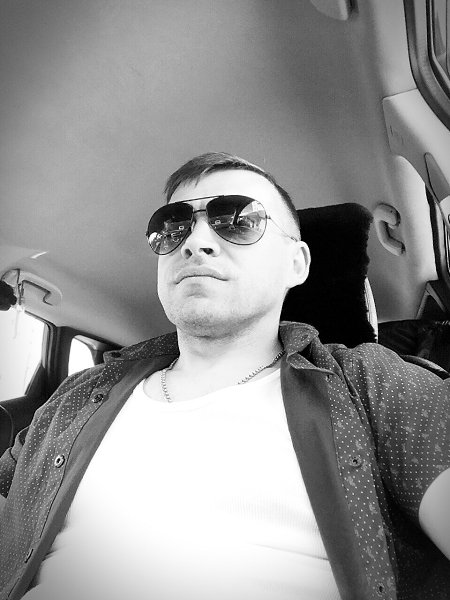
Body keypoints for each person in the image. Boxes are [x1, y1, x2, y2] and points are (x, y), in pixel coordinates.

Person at [0, 152, 449, 600]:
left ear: (297, 263)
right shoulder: (77, 395)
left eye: (239, 221)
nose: (195, 242)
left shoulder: (369, 383)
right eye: (172, 227)